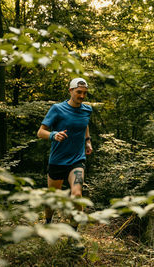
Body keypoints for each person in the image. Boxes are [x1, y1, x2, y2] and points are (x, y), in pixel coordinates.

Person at [37, 77, 93, 226]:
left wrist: (87, 141)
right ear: (70, 91)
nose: (81, 96)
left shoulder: (87, 110)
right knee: (52, 200)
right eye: (78, 92)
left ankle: (73, 236)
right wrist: (53, 135)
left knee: (76, 195)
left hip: (77, 159)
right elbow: (40, 132)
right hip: (58, 160)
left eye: (84, 93)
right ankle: (48, 222)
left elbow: (85, 124)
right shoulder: (57, 109)